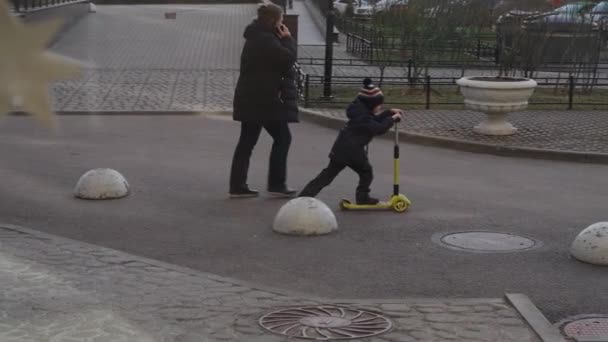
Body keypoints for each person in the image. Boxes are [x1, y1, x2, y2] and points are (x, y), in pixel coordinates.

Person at [229, 2, 298, 198]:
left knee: (247, 142)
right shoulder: (266, 40)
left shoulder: (258, 36)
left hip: (252, 98)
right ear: (275, 21)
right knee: (283, 138)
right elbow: (287, 59)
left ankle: (237, 186)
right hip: (264, 100)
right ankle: (276, 183)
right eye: (282, 20)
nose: (283, 23)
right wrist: (288, 39)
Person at [298, 78, 402, 204]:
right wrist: (392, 119)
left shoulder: (361, 113)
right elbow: (378, 128)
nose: (380, 108)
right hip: (352, 151)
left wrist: (388, 113)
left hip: (342, 148)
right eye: (379, 106)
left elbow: (374, 121)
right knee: (366, 172)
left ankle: (304, 197)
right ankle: (362, 198)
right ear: (370, 105)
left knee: (327, 176)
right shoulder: (363, 118)